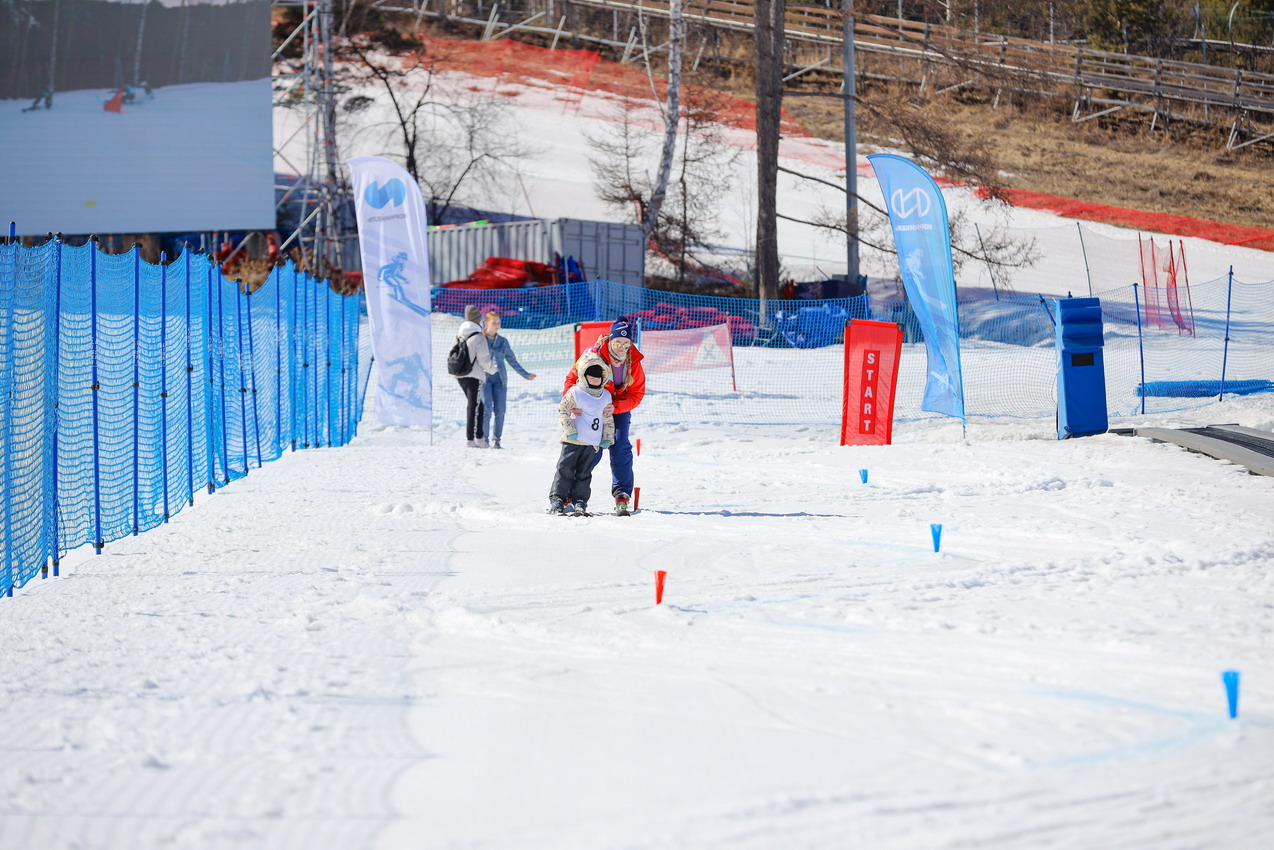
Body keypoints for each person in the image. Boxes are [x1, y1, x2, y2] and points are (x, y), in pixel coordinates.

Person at [561, 316, 645, 515]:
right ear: (610, 340)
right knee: (591, 448)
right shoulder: (593, 355)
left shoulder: (633, 361)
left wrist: (616, 407)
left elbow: (637, 393)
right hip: (592, 408)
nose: (621, 348)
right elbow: (571, 379)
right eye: (617, 343)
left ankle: (622, 493)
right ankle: (570, 493)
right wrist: (572, 403)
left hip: (617, 409)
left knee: (620, 445)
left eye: (626, 343)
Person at [549, 360, 614, 516]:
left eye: (598, 378)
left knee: (584, 473)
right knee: (565, 470)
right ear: (584, 377)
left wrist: (607, 437)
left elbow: (607, 418)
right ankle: (557, 499)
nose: (595, 381)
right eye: (592, 378)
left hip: (591, 442)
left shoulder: (605, 395)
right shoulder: (576, 392)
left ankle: (580, 501)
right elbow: (563, 410)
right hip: (573, 440)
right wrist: (569, 429)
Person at [480, 311, 537, 449]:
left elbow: (512, 361)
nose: (497, 325)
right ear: (486, 323)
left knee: (500, 411)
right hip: (484, 379)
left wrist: (526, 375)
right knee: (486, 410)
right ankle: (484, 440)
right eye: (494, 322)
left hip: (500, 380)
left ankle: (497, 440)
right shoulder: (480, 340)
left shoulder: (503, 341)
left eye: (498, 322)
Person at [455, 305, 496, 447]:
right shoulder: (478, 336)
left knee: (477, 405)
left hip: (460, 374)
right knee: (475, 406)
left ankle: (477, 437)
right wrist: (493, 370)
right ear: (477, 319)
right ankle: (472, 439)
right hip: (473, 375)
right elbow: (484, 359)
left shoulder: (460, 333)